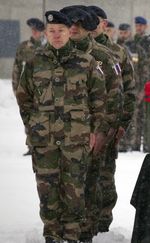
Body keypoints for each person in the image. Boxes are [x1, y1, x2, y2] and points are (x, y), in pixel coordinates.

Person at [15, 10, 107, 243]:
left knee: (74, 188)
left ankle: (72, 235)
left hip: (76, 140)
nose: (56, 35)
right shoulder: (35, 61)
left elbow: (98, 100)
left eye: (61, 31)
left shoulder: (85, 62)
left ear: (69, 33)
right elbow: (24, 98)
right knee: (47, 190)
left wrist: (94, 132)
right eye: (52, 31)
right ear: (46, 33)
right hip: (44, 140)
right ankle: (52, 234)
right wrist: (33, 125)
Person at [59, 6, 123, 242]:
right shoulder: (55, 55)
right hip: (59, 134)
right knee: (60, 186)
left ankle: (89, 230)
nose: (72, 29)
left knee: (91, 184)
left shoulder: (105, 57)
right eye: (69, 25)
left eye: (77, 25)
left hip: (92, 134)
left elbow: (115, 99)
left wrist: (104, 133)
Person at [88, 4, 136, 235]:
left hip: (108, 128)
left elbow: (129, 91)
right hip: (80, 128)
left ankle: (103, 223)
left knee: (104, 177)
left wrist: (122, 125)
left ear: (104, 24)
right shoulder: (79, 50)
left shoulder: (117, 52)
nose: (89, 25)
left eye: (94, 21)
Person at [125, 16, 150, 152]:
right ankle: (134, 143)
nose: (139, 28)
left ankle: (148, 143)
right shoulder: (130, 43)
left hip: (149, 82)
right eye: (137, 25)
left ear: (146, 27)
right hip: (134, 83)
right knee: (135, 115)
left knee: (149, 115)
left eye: (141, 25)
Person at [12, 17, 45, 156]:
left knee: (45, 118)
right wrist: (17, 90)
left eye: (37, 30)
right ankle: (32, 145)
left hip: (44, 90)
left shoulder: (48, 48)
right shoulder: (24, 47)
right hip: (28, 90)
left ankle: (43, 146)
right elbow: (17, 70)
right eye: (33, 30)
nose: (35, 32)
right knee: (29, 118)